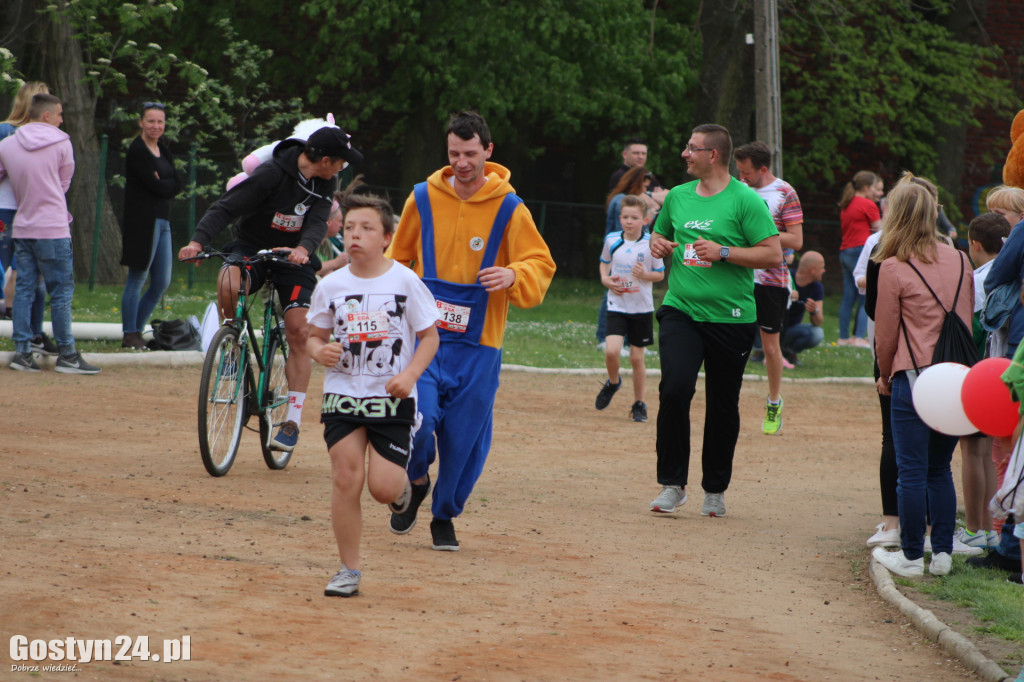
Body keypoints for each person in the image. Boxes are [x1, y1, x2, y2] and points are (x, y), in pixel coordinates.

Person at [387, 110, 556, 550]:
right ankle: (417, 480)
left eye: (470, 153)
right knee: (417, 423)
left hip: (480, 347)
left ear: (488, 151)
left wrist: (513, 275)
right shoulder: (421, 198)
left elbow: (540, 262)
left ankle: (444, 515)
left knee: (464, 442)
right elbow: (395, 259)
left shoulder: (510, 207)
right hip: (426, 341)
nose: (461, 162)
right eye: (453, 153)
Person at [178, 125, 363, 452]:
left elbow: (319, 220)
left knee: (298, 331)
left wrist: (305, 248)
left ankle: (291, 420)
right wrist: (197, 242)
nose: (343, 167)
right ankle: (232, 345)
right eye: (341, 161)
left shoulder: (327, 182)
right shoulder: (271, 174)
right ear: (324, 159)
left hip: (295, 257)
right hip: (252, 247)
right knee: (227, 281)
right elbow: (226, 207)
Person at [306, 193, 440, 598]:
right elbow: (313, 337)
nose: (355, 236)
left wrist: (411, 374)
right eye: (349, 228)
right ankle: (349, 570)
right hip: (343, 395)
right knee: (346, 477)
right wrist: (319, 351)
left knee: (382, 488)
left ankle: (404, 491)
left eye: (366, 228)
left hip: (392, 399)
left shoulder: (405, 280)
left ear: (386, 237)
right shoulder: (330, 285)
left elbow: (430, 337)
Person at [647, 123, 781, 516]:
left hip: (732, 317)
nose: (685, 154)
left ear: (713, 155)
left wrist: (724, 252)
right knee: (674, 390)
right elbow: (660, 237)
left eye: (692, 148)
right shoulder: (677, 196)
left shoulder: (745, 201)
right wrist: (658, 245)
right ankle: (672, 484)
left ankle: (715, 490)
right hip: (681, 310)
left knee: (723, 404)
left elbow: (772, 254)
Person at [870, 176, 974, 577]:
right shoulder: (961, 259)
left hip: (912, 375)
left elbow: (886, 332)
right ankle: (943, 553)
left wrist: (884, 374)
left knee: (910, 470)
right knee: (939, 469)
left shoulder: (892, 267)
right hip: (955, 375)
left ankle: (912, 556)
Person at [0, 93, 99, 374]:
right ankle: (67, 354)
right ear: (47, 116)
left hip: (24, 225)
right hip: (53, 226)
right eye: (59, 114)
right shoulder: (62, 143)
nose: (61, 119)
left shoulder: (7, 145)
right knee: (61, 292)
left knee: (23, 290)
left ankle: (22, 353)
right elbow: (63, 183)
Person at [965, 185, 1024, 576]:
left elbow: (997, 275)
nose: (999, 223)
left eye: (1004, 215)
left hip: (1017, 343)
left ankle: (1008, 544)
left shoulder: (1021, 235)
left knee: (1011, 444)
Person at [734, 141, 804, 435]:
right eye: (738, 171)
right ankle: (728, 401)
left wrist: (762, 233)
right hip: (737, 276)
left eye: (746, 172)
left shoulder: (784, 192)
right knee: (732, 340)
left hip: (771, 280)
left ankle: (774, 402)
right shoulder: (736, 190)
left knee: (770, 346)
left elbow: (796, 240)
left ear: (763, 169)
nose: (742, 178)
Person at [955, 213, 1011, 551]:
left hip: (977, 370)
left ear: (975, 244)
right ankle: (991, 529)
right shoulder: (1008, 274)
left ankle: (974, 529)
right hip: (1002, 372)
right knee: (988, 454)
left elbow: (972, 329)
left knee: (971, 452)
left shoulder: (976, 280)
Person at [595, 195, 665, 422]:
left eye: (634, 217)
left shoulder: (651, 244)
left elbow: (660, 273)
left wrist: (645, 275)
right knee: (612, 351)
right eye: (625, 217)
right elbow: (604, 263)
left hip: (641, 308)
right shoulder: (612, 240)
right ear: (619, 218)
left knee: (637, 359)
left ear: (645, 220)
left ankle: (639, 404)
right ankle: (614, 382)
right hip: (617, 305)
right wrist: (606, 280)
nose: (629, 221)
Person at [0, 81, 57, 354]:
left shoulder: (51, 135)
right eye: (41, 100)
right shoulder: (5, 130)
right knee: (8, 269)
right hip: (6, 208)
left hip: (35, 212)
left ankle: (34, 333)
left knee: (36, 276)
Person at [119, 101, 181, 350]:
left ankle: (138, 327)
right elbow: (158, 186)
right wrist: (165, 183)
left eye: (160, 122)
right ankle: (129, 333)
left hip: (163, 220)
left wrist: (164, 182)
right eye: (151, 121)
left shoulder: (163, 150)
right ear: (141, 123)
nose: (156, 126)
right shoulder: (137, 151)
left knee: (161, 281)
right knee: (138, 277)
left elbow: (177, 183)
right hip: (143, 222)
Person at [597, 166, 665, 347]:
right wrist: (652, 210)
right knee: (614, 292)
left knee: (619, 292)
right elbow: (631, 231)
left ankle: (622, 340)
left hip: (626, 259)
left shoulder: (622, 200)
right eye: (645, 185)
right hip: (621, 256)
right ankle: (606, 338)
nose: (646, 189)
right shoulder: (624, 202)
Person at [837, 171, 883, 348]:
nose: (876, 192)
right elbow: (879, 230)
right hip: (860, 250)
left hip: (845, 251)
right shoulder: (868, 204)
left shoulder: (847, 203)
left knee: (848, 297)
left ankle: (843, 337)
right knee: (866, 296)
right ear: (865, 188)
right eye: (874, 187)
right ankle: (858, 337)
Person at [780, 251, 825, 365]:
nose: (824, 271)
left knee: (817, 333)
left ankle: (788, 352)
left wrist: (814, 311)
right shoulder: (786, 277)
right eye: (822, 267)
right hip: (774, 326)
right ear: (812, 270)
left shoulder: (817, 287)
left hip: (791, 330)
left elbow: (818, 322)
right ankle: (760, 350)